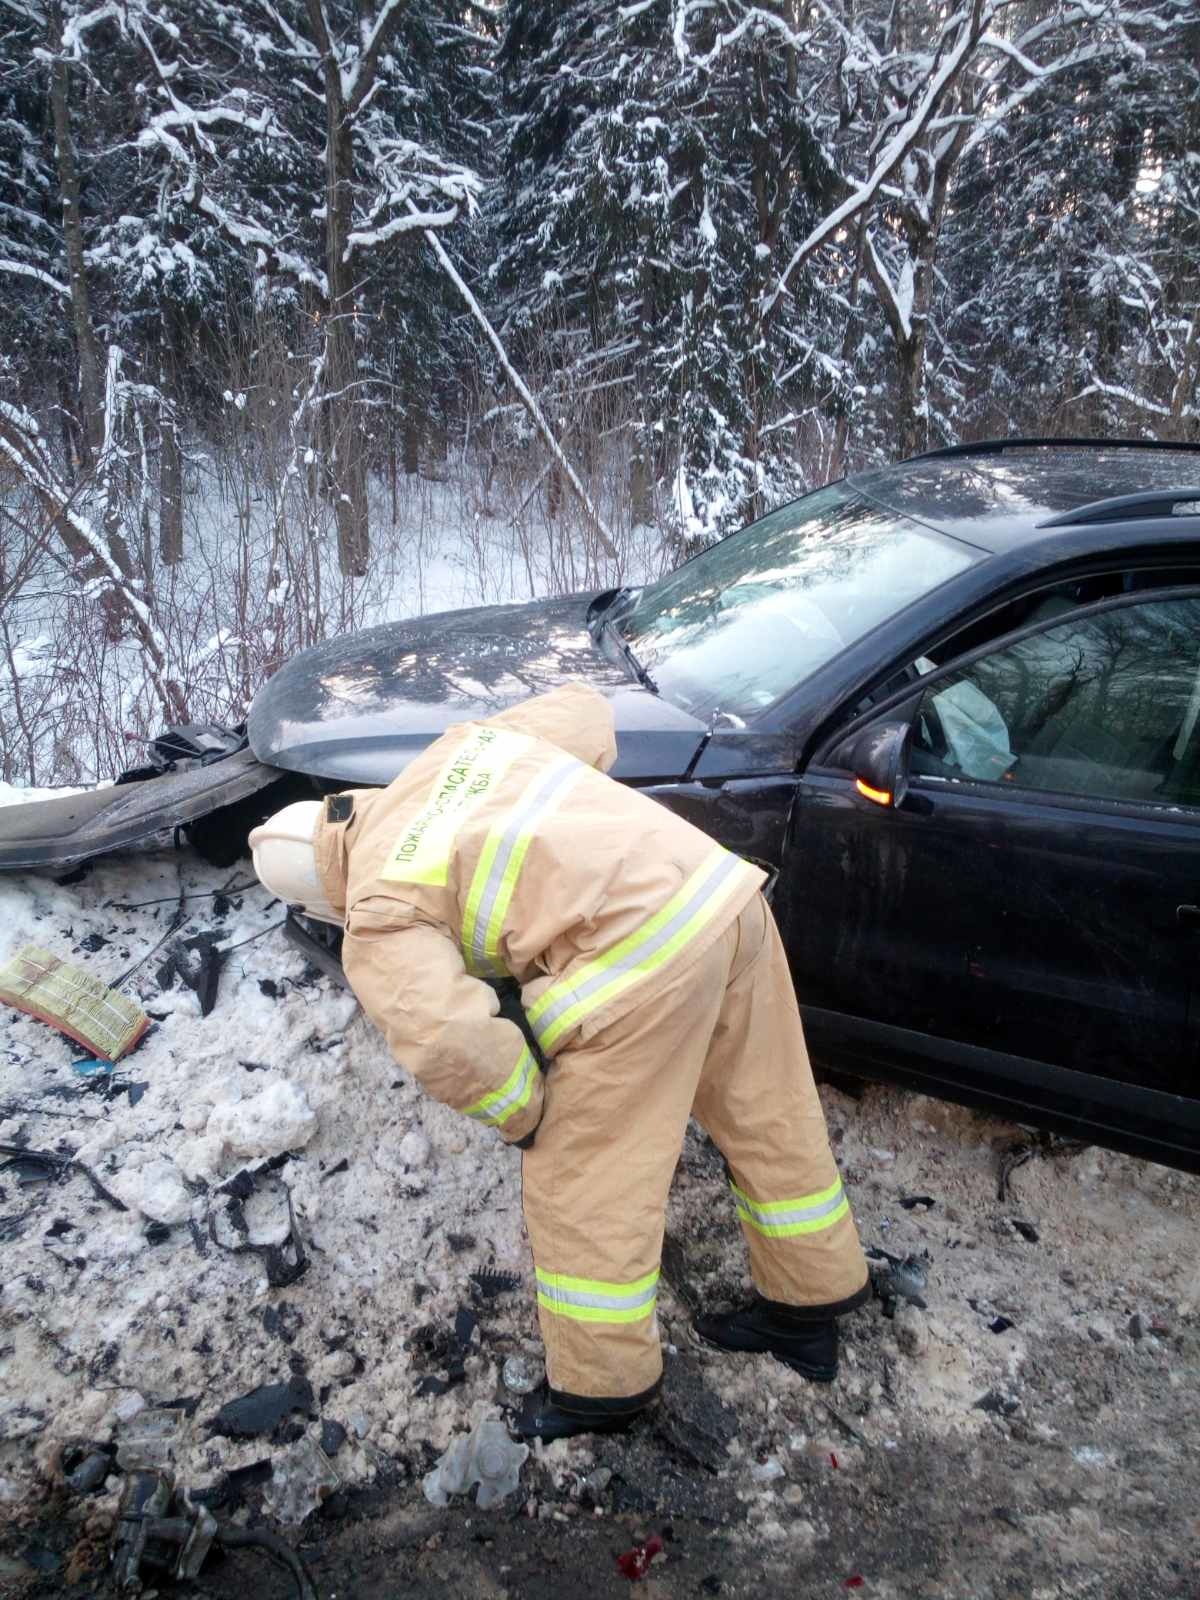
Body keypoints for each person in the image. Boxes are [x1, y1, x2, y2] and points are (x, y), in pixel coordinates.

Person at [249, 681, 869, 1441]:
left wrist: (526, 1112)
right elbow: (586, 713)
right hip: (724, 898)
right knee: (768, 1110)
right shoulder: (459, 748)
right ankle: (810, 1312)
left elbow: (450, 1042)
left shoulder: (376, 907)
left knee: (586, 1179)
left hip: (639, 959)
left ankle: (602, 1392)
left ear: (323, 894)